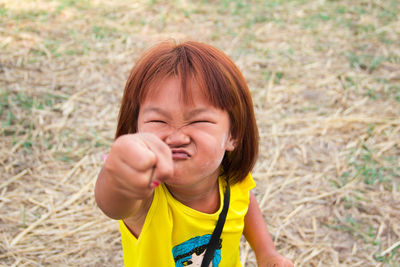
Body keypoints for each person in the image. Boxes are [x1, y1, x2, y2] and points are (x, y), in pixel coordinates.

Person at [95, 40, 293, 267]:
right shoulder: (146, 201)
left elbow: (245, 203)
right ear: (136, 128)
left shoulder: (232, 183)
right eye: (158, 121)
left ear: (233, 134)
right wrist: (120, 176)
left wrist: (266, 253)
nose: (177, 137)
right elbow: (113, 204)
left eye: (199, 120)